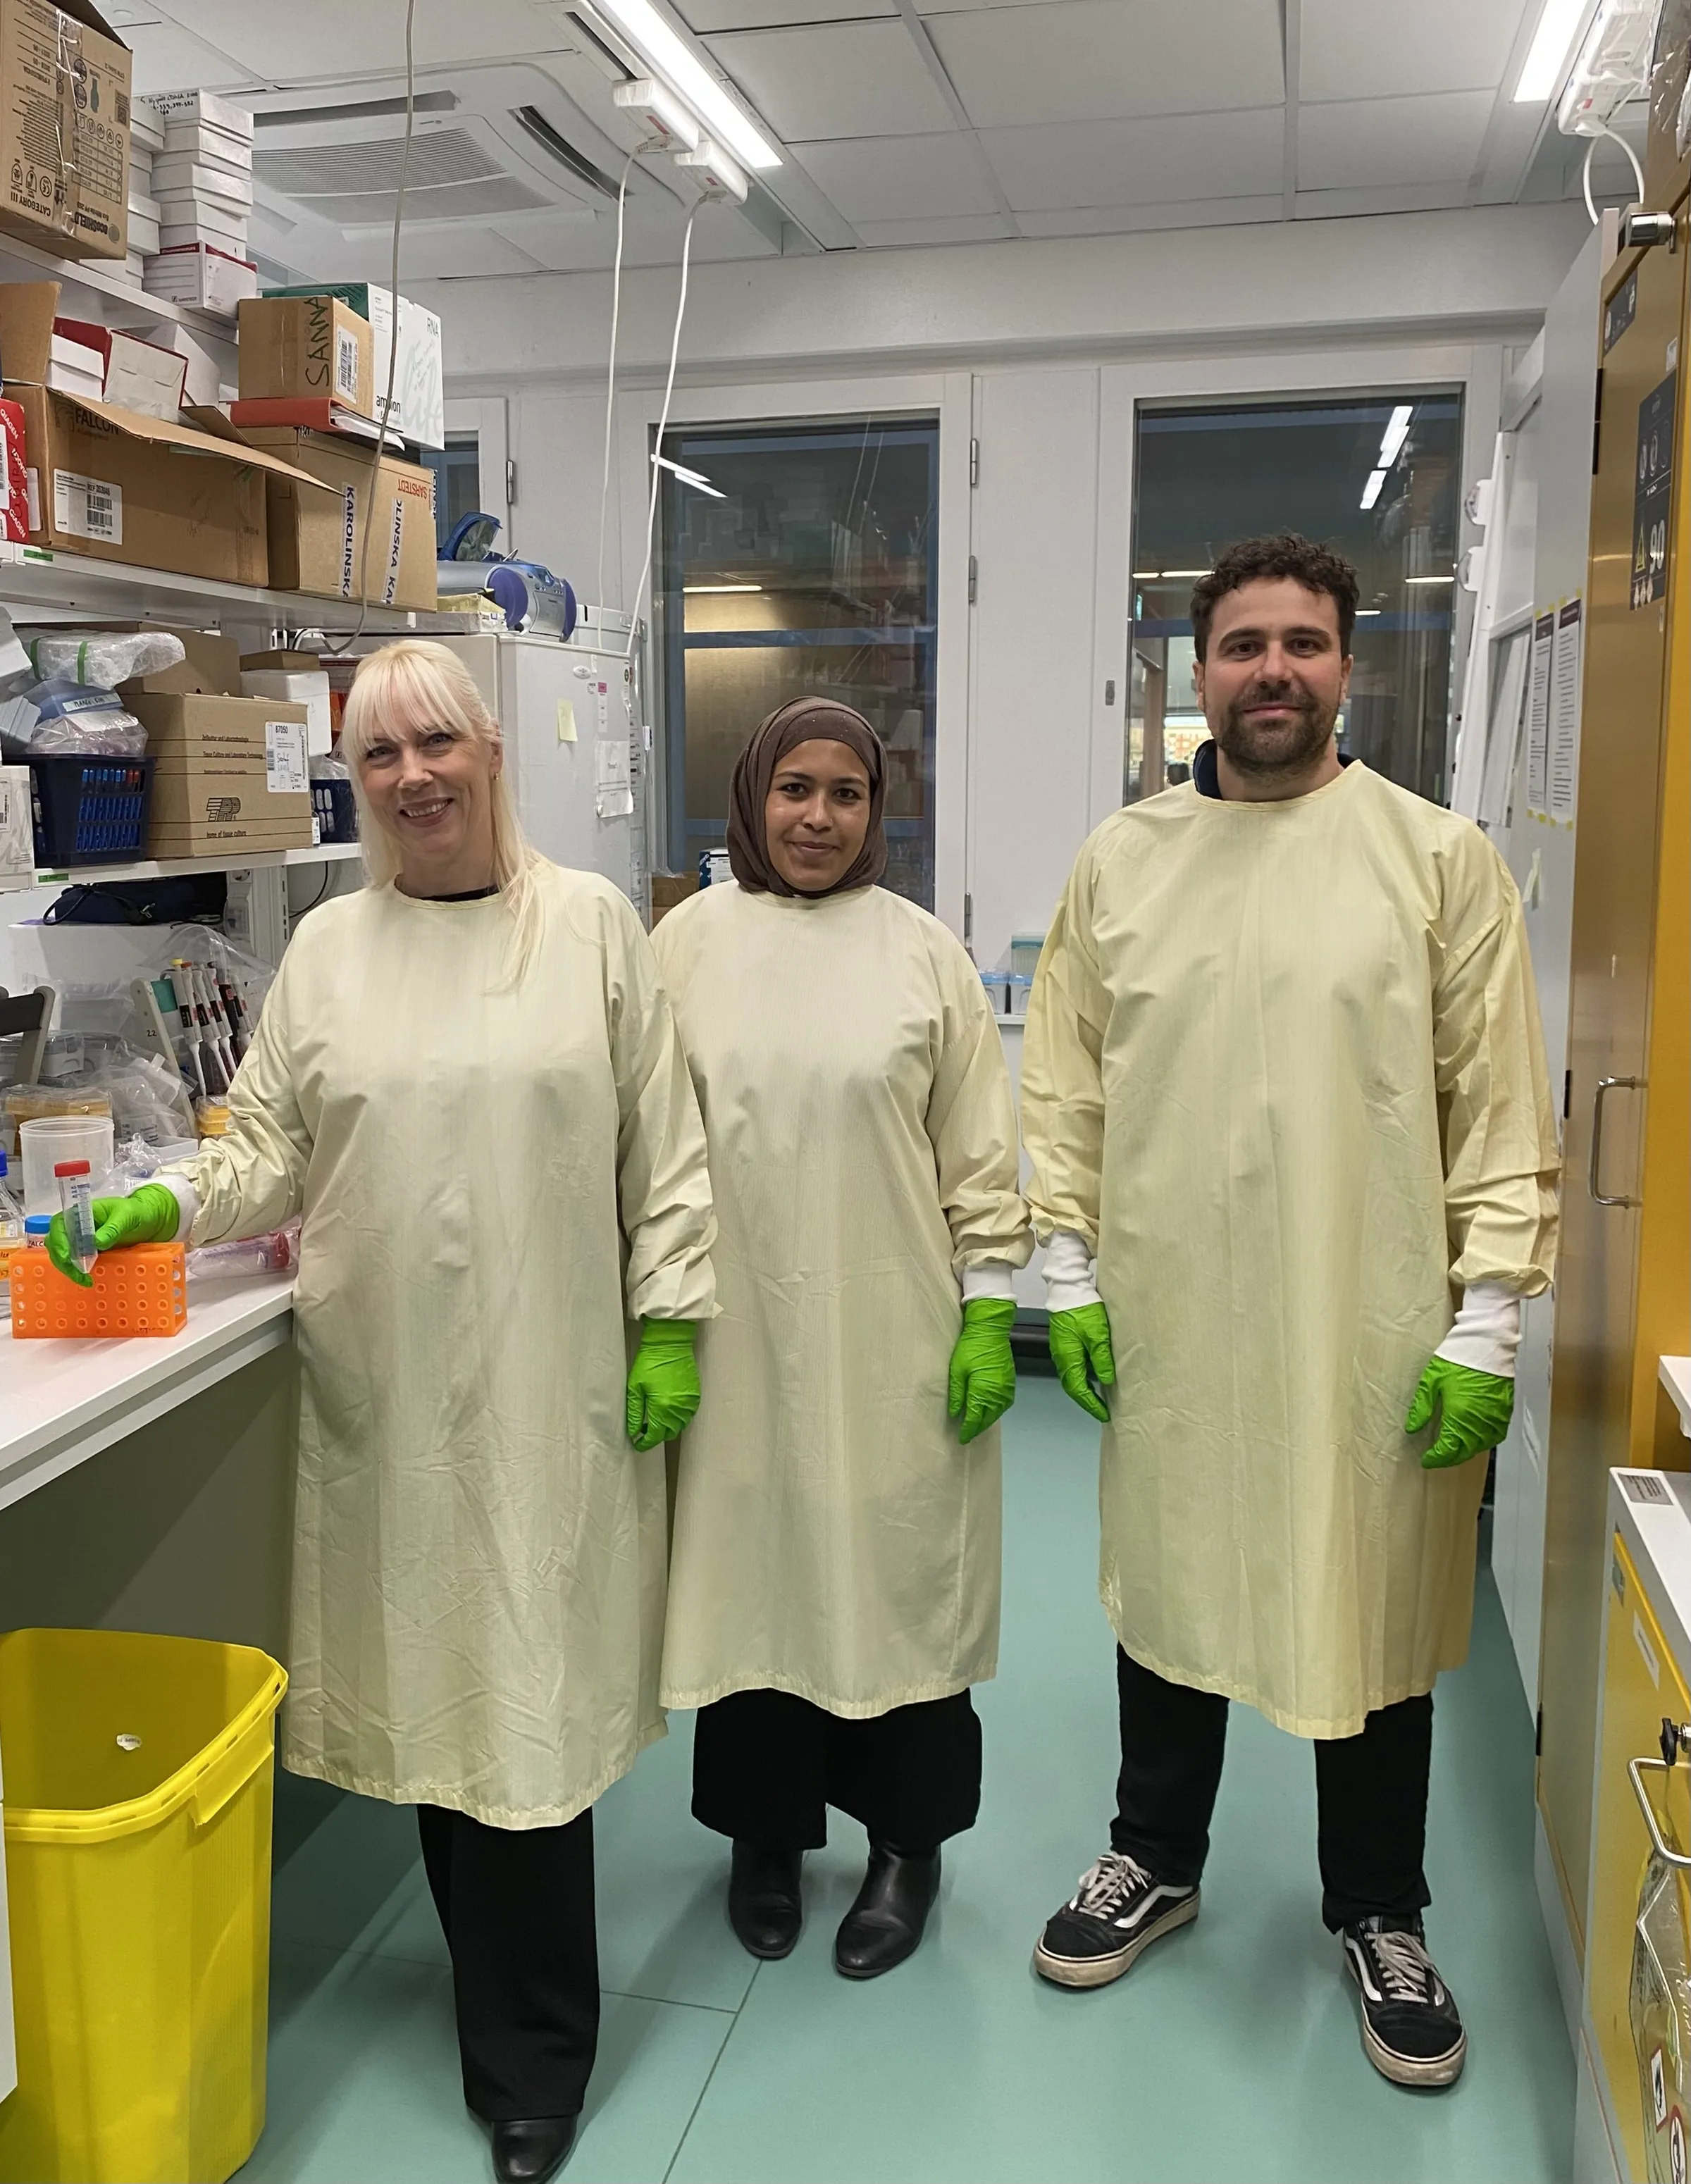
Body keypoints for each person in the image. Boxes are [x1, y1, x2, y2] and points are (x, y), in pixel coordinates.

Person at [51, 640, 717, 2184]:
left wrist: (673, 1315)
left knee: (533, 1720)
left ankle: (537, 2056)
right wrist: (158, 1193)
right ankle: (501, 2021)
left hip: (555, 1382)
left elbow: (666, 1150)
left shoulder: (594, 931)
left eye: (436, 742)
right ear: (357, 784)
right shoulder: (332, 958)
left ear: (492, 749)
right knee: (437, 1702)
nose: (414, 776)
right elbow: (269, 1148)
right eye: (380, 758)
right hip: (392, 1383)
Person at [1021, 534, 1559, 2089]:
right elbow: (1062, 1083)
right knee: (1175, 1581)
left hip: (1371, 1311)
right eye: (1244, 643)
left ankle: (1380, 1905)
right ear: (1197, 671)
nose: (1274, 670)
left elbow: (1501, 1106)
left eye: (1303, 643)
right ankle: (1155, 1854)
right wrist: (1069, 1272)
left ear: (1347, 662)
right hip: (1176, 1303)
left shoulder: (1434, 856)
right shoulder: (1122, 861)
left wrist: (1485, 1319)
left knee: (1369, 1607)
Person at [652, 697, 1031, 1979]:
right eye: (794, 790)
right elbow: (643, 1145)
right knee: (752, 1572)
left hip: (893, 1332)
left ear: (879, 810)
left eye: (848, 795)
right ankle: (766, 1841)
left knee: (896, 1581)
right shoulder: (683, 946)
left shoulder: (925, 956)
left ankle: (906, 1847)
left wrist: (990, 1309)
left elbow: (982, 1158)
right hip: (732, 1327)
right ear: (754, 796)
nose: (818, 817)